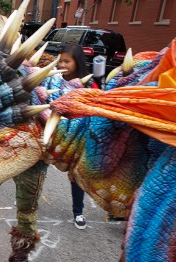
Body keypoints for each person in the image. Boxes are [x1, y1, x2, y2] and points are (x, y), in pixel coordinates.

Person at [57, 44, 99, 230]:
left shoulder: (89, 84)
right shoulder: (54, 79)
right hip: (54, 133)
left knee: (76, 175)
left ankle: (78, 212)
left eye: (67, 61)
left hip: (79, 136)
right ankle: (29, 201)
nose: (62, 64)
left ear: (77, 62)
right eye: (60, 61)